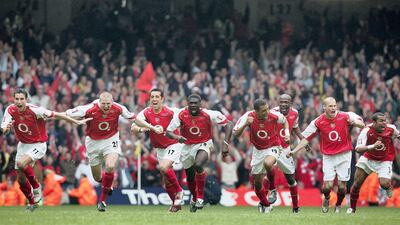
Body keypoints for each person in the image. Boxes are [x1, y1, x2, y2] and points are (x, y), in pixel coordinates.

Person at [65, 92, 163, 212]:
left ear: (112, 102)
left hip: (111, 140)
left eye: (108, 104)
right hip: (93, 143)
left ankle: (103, 201)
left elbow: (135, 119)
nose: (106, 106)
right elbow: (67, 114)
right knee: (97, 177)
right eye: (104, 104)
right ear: (99, 102)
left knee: (110, 166)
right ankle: (107, 184)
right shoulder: (88, 109)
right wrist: (52, 115)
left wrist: (152, 127)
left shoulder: (118, 108)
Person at [1, 89, 89, 212]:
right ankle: (32, 203)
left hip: (38, 144)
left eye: (22, 99)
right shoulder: (10, 110)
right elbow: (4, 128)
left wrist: (74, 121)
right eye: (17, 99)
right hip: (23, 145)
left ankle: (37, 187)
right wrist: (6, 129)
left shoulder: (35, 110)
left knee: (21, 163)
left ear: (26, 100)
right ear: (13, 99)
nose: (19, 102)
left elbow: (57, 115)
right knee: (20, 180)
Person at [288, 97, 364, 213]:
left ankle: (338, 205)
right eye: (330, 106)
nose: (333, 108)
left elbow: (361, 124)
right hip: (328, 156)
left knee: (342, 187)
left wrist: (355, 123)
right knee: (327, 186)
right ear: (324, 108)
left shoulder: (345, 116)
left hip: (344, 154)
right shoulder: (318, 122)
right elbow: (305, 138)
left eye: (334, 106)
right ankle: (327, 198)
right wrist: (294, 151)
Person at [166, 94, 233, 212]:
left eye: (195, 103)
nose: (193, 105)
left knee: (198, 164)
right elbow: (168, 131)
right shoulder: (181, 114)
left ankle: (200, 198)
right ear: (187, 103)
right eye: (190, 103)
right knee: (190, 177)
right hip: (186, 147)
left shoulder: (209, 114)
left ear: (200, 104)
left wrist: (225, 144)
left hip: (204, 144)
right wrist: (178, 137)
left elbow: (229, 124)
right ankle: (195, 197)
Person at [131, 88, 184, 212]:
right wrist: (143, 129)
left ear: (162, 99)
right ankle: (175, 205)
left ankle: (180, 191)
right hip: (160, 149)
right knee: (166, 180)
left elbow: (184, 118)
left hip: (173, 144)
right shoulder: (146, 113)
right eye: (152, 97)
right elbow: (133, 127)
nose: (154, 99)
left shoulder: (170, 111)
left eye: (157, 97)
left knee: (163, 167)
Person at [233, 98, 290, 214]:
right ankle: (266, 205)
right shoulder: (248, 116)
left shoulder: (273, 115)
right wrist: (245, 124)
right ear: (256, 111)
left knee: (268, 163)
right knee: (257, 184)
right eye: (263, 110)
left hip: (273, 146)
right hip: (258, 151)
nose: (267, 112)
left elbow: (285, 121)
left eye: (267, 109)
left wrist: (287, 134)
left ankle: (273, 189)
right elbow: (236, 134)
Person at [347, 112, 400, 213]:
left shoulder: (391, 128)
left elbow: (398, 136)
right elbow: (358, 148)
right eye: (381, 121)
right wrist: (372, 146)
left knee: (384, 184)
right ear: (374, 122)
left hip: (384, 160)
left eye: (385, 121)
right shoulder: (366, 130)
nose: (384, 123)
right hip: (368, 159)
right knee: (357, 184)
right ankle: (352, 208)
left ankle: (388, 187)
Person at [265, 94, 308, 213]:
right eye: (281, 102)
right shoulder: (272, 112)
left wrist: (303, 140)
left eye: (286, 102)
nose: (283, 104)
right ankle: (265, 203)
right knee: (268, 171)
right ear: (278, 103)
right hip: (273, 146)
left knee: (290, 179)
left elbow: (295, 127)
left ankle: (295, 208)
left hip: (285, 149)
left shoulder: (295, 113)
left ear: (290, 103)